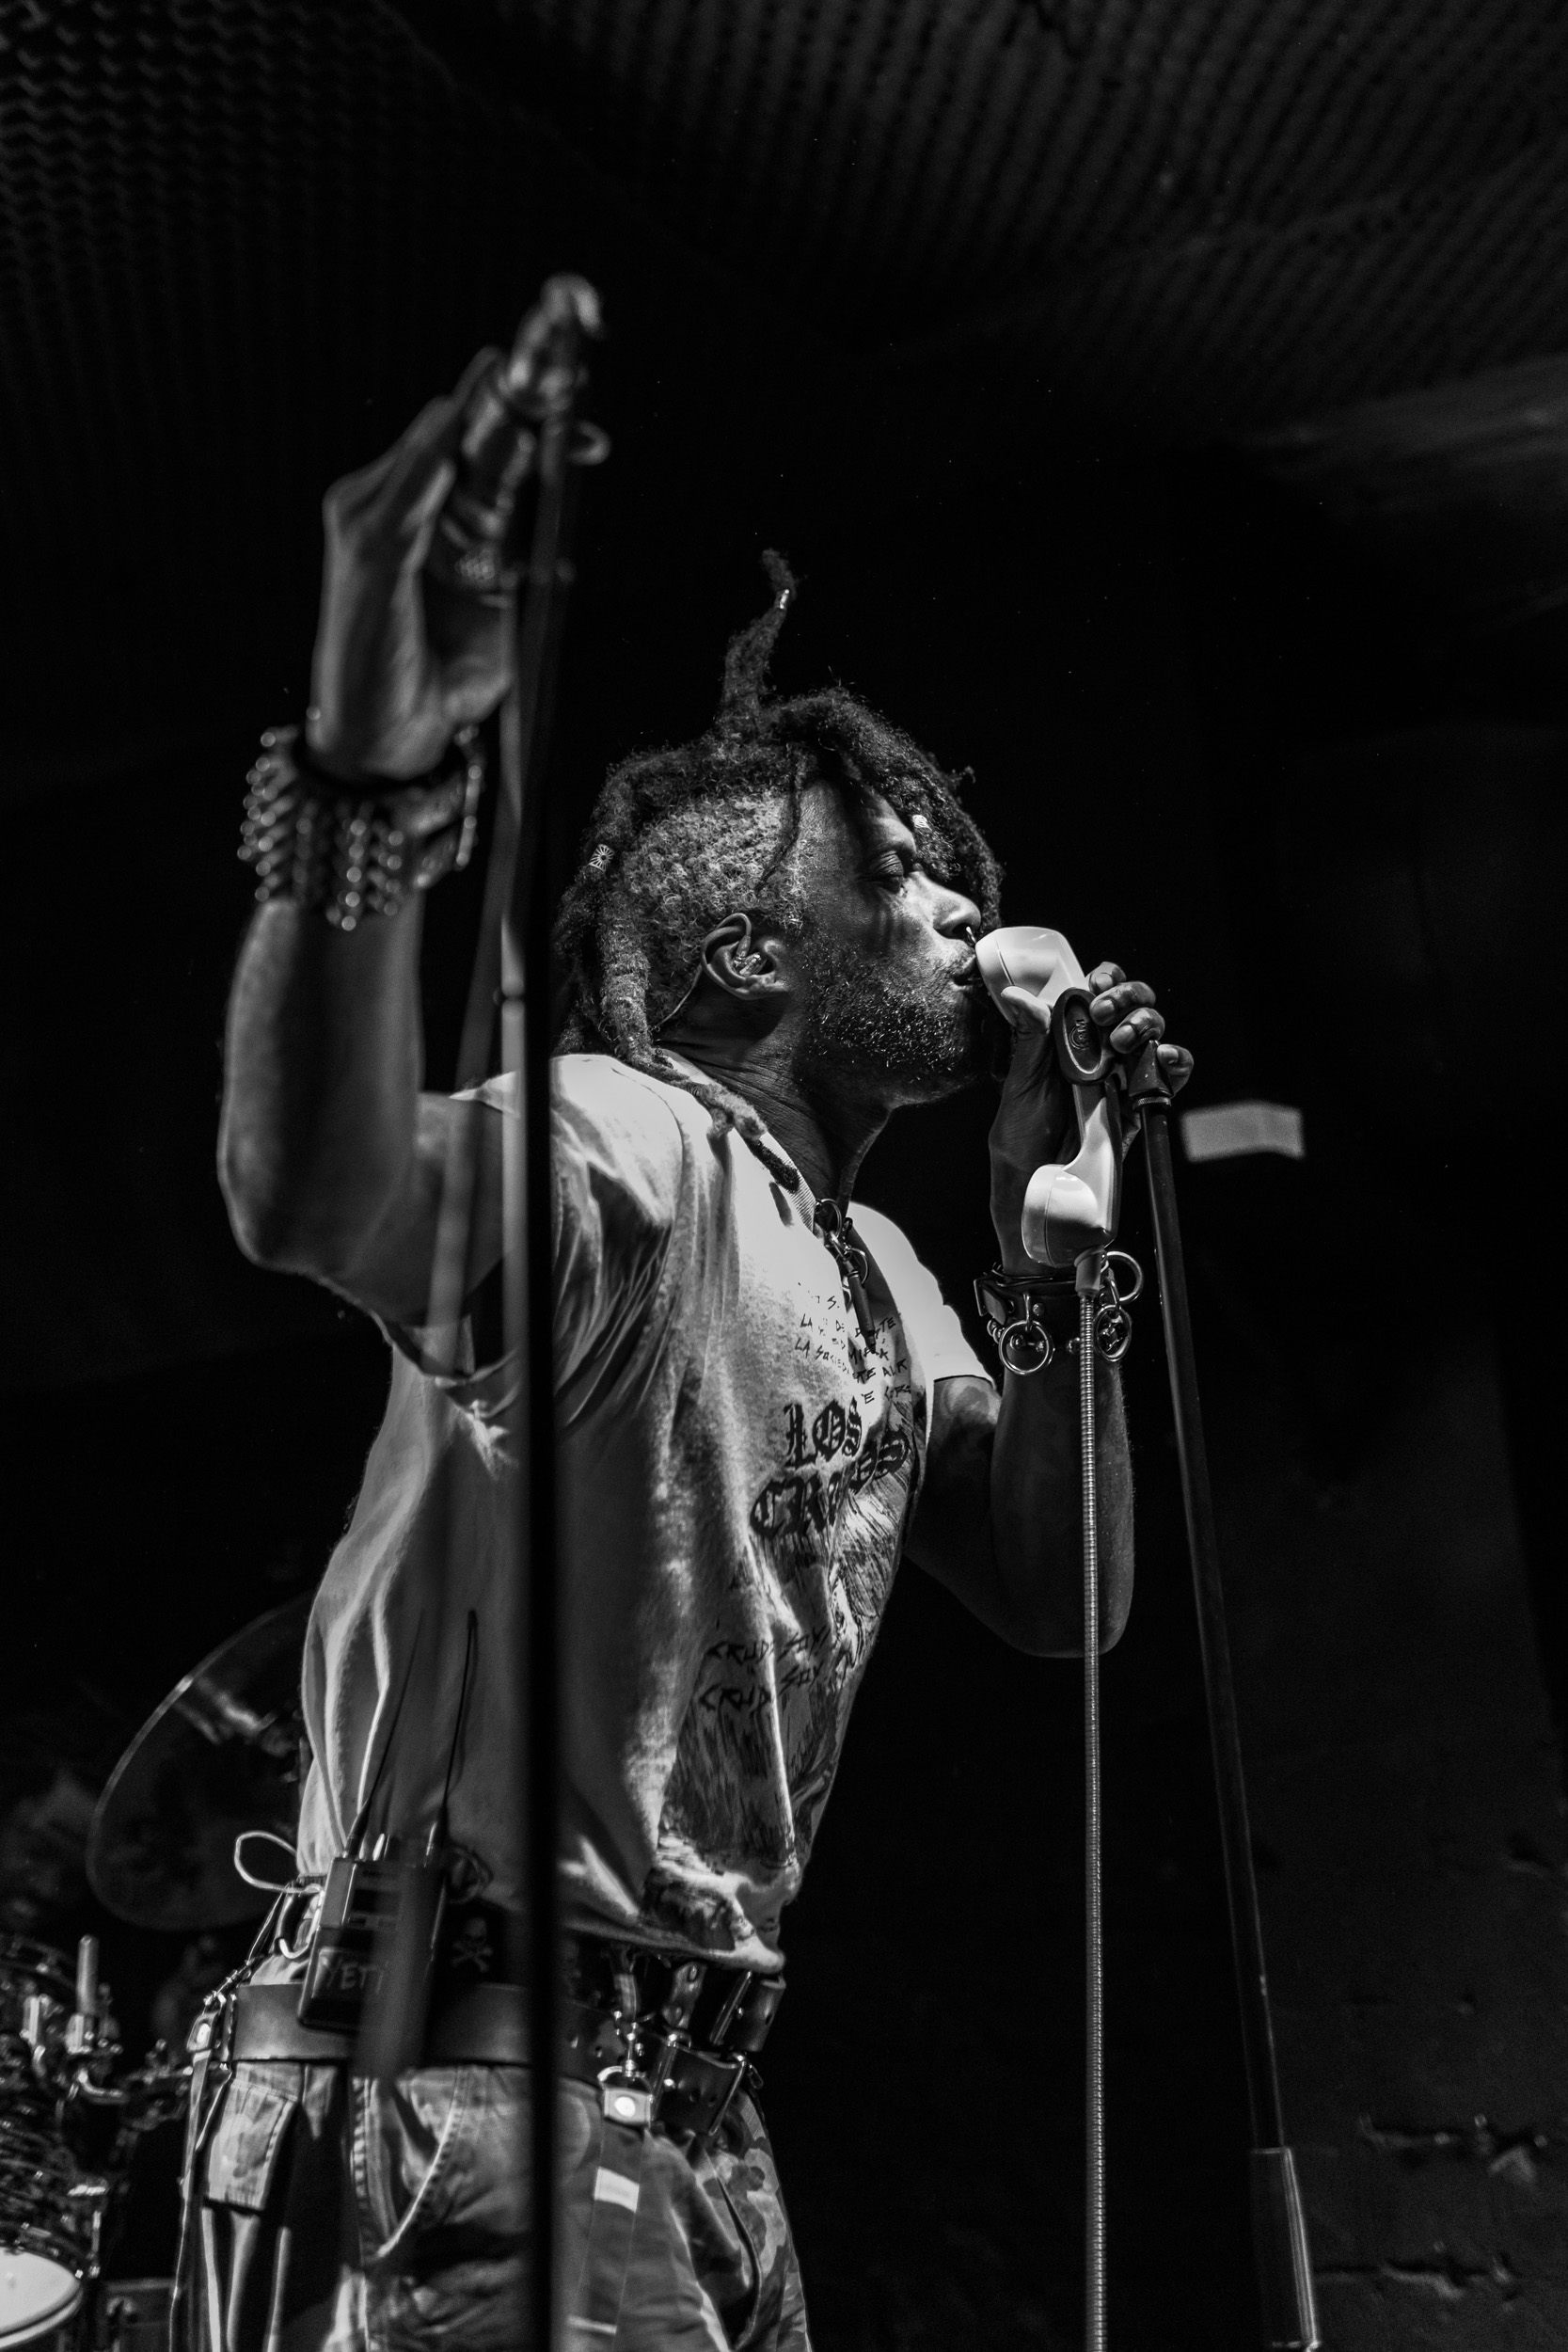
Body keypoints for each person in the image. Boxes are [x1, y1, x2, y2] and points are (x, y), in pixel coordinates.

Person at [194, 314, 1191, 2352]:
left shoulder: (878, 1264)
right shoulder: (624, 1147)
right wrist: (367, 772)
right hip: (470, 2085)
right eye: (901, 871)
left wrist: (1054, 1243)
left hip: (690, 2105)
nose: (964, 911)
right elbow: (311, 1192)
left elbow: (1064, 1594)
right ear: (747, 947)